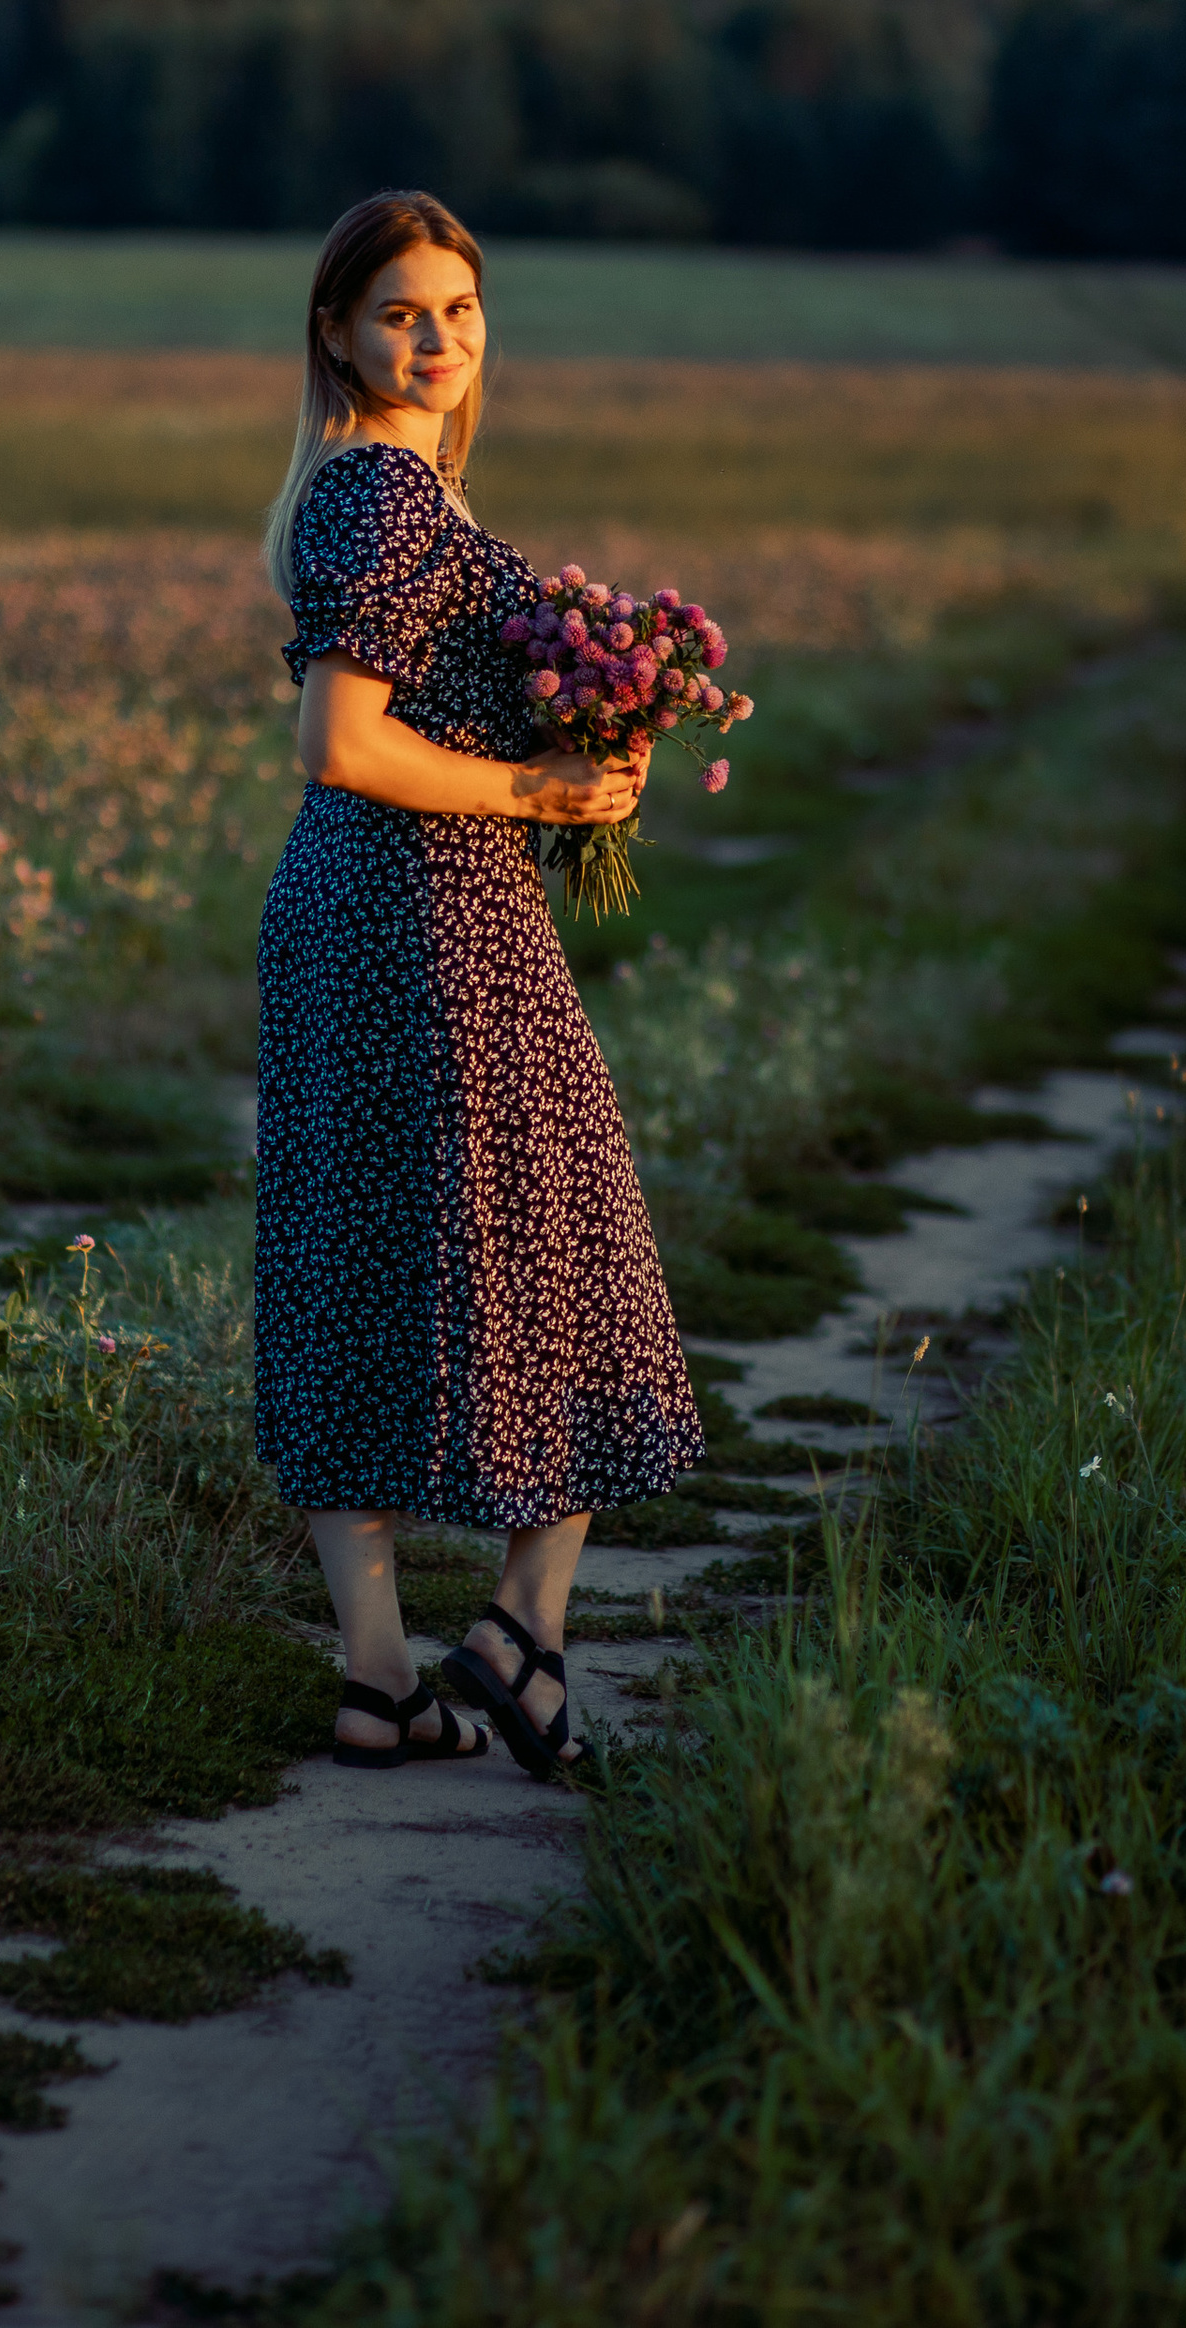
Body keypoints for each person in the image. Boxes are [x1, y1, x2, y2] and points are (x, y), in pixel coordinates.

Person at [254, 188, 705, 1780]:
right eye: (399, 313)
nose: (435, 339)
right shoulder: (378, 499)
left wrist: (595, 756)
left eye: (457, 310)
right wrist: (538, 795)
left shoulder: (364, 490)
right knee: (571, 1251)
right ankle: (520, 1641)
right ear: (337, 332)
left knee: (356, 1258)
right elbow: (343, 743)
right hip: (423, 912)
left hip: (378, 907)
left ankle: (388, 1683)